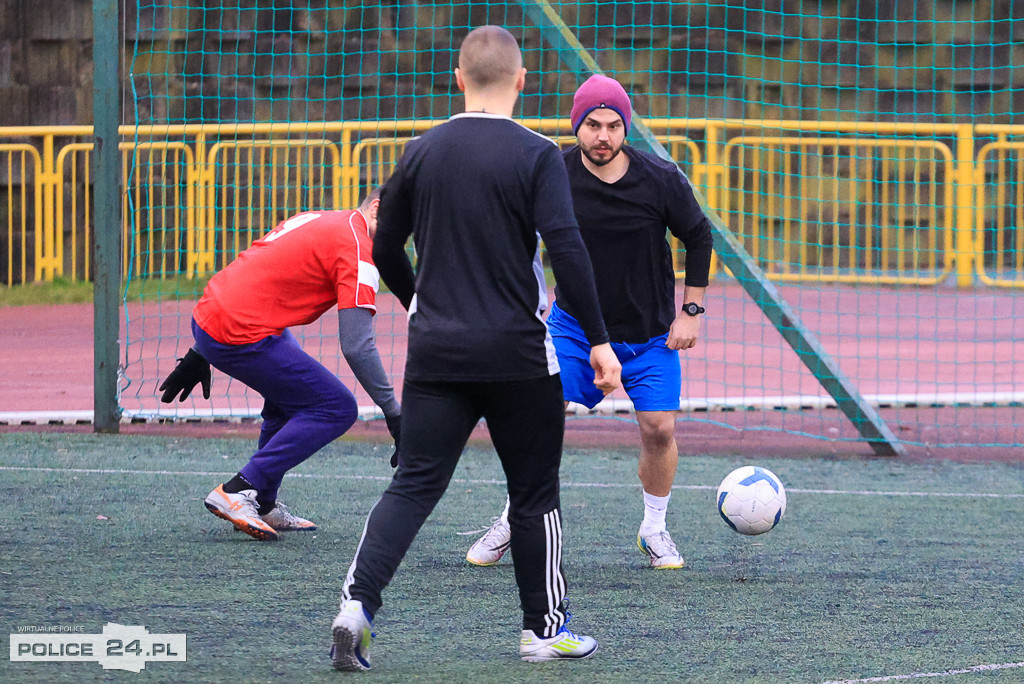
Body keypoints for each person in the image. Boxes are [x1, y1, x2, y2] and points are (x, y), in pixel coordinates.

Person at [329, 26, 622, 671]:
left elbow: (382, 247)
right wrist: (599, 342)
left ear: (457, 79)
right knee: (535, 491)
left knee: (412, 486)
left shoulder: (421, 151)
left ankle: (356, 607)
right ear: (522, 81)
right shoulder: (539, 154)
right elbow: (566, 250)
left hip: (436, 355)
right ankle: (543, 631)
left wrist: (414, 304)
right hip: (518, 355)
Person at [465, 74, 715, 570]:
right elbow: (512, 236)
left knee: (660, 429)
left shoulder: (660, 178)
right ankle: (517, 517)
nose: (604, 135)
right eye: (593, 124)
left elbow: (700, 237)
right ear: (577, 125)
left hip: (650, 339)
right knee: (538, 418)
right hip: (573, 331)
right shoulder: (550, 174)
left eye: (614, 125)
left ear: (627, 129)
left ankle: (654, 529)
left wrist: (691, 312)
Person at [157, 188, 401, 542]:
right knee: (337, 408)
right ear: (377, 207)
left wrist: (201, 350)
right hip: (238, 330)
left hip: (214, 311)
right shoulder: (358, 248)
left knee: (291, 399)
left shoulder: (324, 218)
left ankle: (264, 501)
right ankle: (239, 489)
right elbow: (358, 347)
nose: (403, 237)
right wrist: (394, 414)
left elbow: (260, 272)